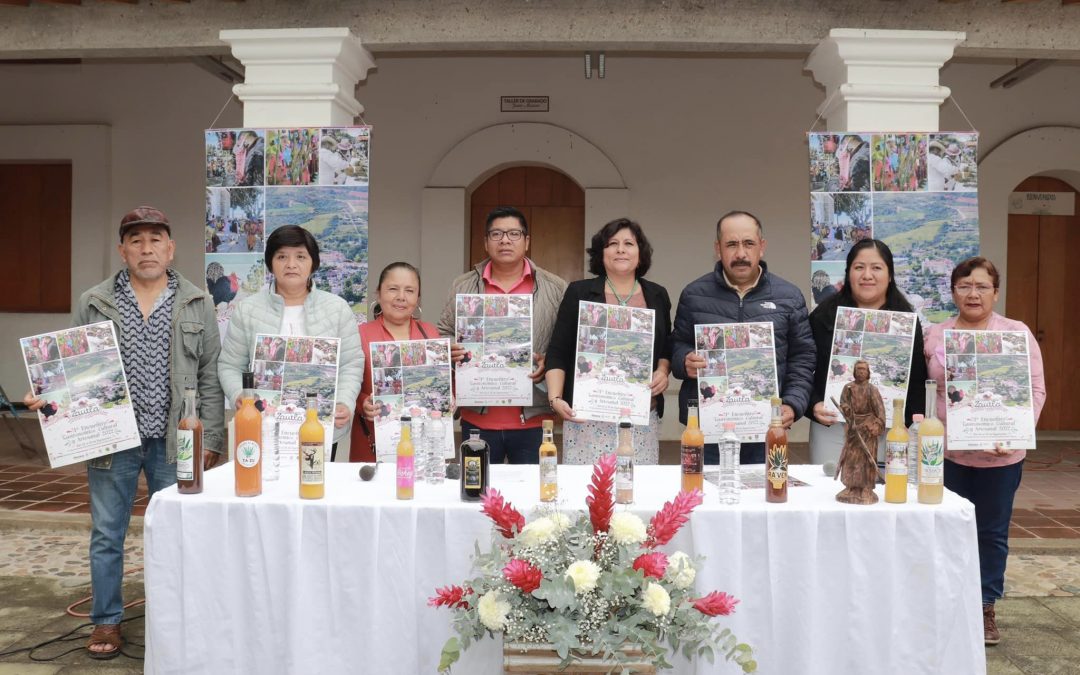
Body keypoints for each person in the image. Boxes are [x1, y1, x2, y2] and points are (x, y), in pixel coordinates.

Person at [24, 207, 225, 659]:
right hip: (110, 437)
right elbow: (73, 368)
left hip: (177, 439)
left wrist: (211, 438)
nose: (147, 248)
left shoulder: (198, 302)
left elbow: (210, 374)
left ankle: (176, 620)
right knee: (107, 533)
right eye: (136, 240)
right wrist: (48, 391)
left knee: (177, 531)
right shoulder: (94, 301)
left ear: (171, 249)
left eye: (156, 239)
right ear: (122, 250)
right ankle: (107, 621)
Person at [923, 257, 1045, 646]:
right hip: (944, 455)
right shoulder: (934, 335)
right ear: (953, 290)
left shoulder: (1016, 333)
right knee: (942, 529)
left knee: (990, 533)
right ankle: (942, 603)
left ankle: (984, 605)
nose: (972, 294)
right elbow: (922, 390)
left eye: (981, 286)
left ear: (995, 291)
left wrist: (1017, 432)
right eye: (964, 286)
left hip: (999, 455)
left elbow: (1036, 390)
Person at [671, 210, 815, 464]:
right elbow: (676, 344)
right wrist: (684, 360)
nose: (740, 253)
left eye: (748, 243)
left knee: (767, 498)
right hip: (707, 428)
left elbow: (802, 357)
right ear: (718, 249)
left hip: (767, 427)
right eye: (731, 244)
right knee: (705, 499)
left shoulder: (789, 297)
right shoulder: (694, 294)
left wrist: (793, 404)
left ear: (762, 247)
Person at [437, 206, 568, 464]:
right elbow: (443, 332)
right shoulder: (463, 285)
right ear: (486, 242)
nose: (505, 240)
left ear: (527, 241)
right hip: (478, 418)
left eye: (513, 234)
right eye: (496, 234)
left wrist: (549, 359)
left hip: (534, 417)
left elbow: (565, 342)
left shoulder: (555, 287)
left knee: (531, 497)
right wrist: (450, 347)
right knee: (477, 495)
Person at [218, 225, 364, 455]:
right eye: (282, 256)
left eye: (300, 256)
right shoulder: (247, 310)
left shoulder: (337, 309)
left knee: (314, 486)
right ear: (270, 263)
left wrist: (345, 401)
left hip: (320, 425)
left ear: (313, 263)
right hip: (262, 425)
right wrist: (239, 396)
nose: (291, 264)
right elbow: (229, 365)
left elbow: (351, 364)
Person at [544, 218, 672, 464]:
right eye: (612, 243)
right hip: (588, 418)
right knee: (587, 493)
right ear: (601, 254)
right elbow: (558, 349)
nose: (621, 249)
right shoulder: (579, 292)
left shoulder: (657, 294)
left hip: (640, 416)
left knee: (636, 494)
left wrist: (663, 371)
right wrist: (555, 398)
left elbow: (666, 345)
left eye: (629, 243)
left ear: (640, 252)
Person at [807, 239, 927, 465]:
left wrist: (910, 425)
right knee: (828, 493)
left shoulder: (906, 321)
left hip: (888, 429)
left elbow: (918, 379)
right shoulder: (824, 316)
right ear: (849, 273)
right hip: (833, 427)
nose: (867, 275)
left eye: (876, 268)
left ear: (890, 275)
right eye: (859, 267)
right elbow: (802, 366)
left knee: (883, 495)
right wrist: (812, 405)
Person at [350, 262, 438, 462]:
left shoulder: (430, 334)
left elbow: (443, 382)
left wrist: (448, 398)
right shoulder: (360, 333)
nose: (401, 297)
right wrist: (362, 402)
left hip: (422, 442)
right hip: (372, 442)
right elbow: (346, 383)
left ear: (417, 298)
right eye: (392, 289)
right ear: (378, 294)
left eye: (409, 290)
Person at [834, 360, 885, 504]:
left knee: (866, 459)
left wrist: (876, 426)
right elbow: (844, 403)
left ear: (868, 372)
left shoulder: (872, 390)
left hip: (867, 429)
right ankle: (850, 486)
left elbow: (880, 412)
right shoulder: (848, 388)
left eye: (863, 369)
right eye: (858, 369)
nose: (861, 372)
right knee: (851, 458)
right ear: (854, 371)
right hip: (853, 427)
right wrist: (846, 409)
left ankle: (866, 488)